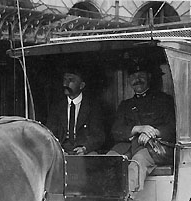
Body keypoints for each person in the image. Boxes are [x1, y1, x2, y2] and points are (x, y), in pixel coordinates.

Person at [111, 59, 176, 193]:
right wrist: (138, 129)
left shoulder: (164, 101)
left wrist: (153, 132)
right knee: (108, 160)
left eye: (141, 75)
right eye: (133, 77)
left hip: (153, 148)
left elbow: (172, 128)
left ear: (149, 77)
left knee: (136, 163)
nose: (137, 80)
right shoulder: (125, 105)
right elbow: (116, 130)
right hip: (128, 146)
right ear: (129, 80)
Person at [46, 68, 105, 155]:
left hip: (84, 150)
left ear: (81, 85)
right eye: (64, 80)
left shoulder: (92, 106)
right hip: (61, 151)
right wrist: (59, 150)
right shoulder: (57, 106)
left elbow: (98, 136)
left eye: (70, 80)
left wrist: (85, 148)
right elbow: (50, 133)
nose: (65, 84)